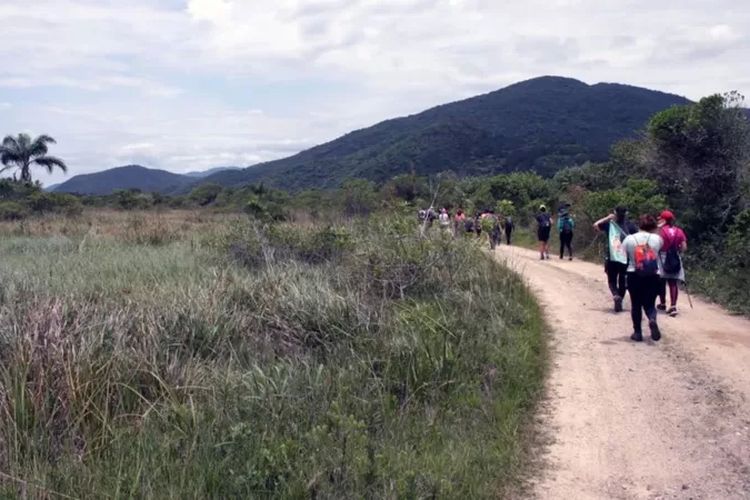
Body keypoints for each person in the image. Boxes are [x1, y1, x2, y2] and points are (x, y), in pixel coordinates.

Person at [622, 214, 664, 342]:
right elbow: (660, 249)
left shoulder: (629, 239)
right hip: (652, 275)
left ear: (639, 225)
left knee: (636, 304)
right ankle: (652, 319)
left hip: (634, 274)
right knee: (650, 303)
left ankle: (638, 333)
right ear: (653, 226)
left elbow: (623, 254)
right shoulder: (657, 239)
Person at [594, 206, 638, 312]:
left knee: (612, 280)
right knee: (622, 279)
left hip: (612, 256)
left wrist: (607, 217)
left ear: (615, 213)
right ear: (626, 214)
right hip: (625, 257)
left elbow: (595, 225)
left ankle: (615, 295)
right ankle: (620, 298)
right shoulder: (631, 226)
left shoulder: (610, 224)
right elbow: (636, 240)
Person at [657, 210, 687, 316]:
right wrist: (677, 251)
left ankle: (662, 303)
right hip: (675, 257)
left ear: (663, 220)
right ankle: (673, 306)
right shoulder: (679, 231)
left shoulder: (660, 231)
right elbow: (684, 247)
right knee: (673, 282)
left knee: (661, 281)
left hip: (662, 256)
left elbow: (656, 244)